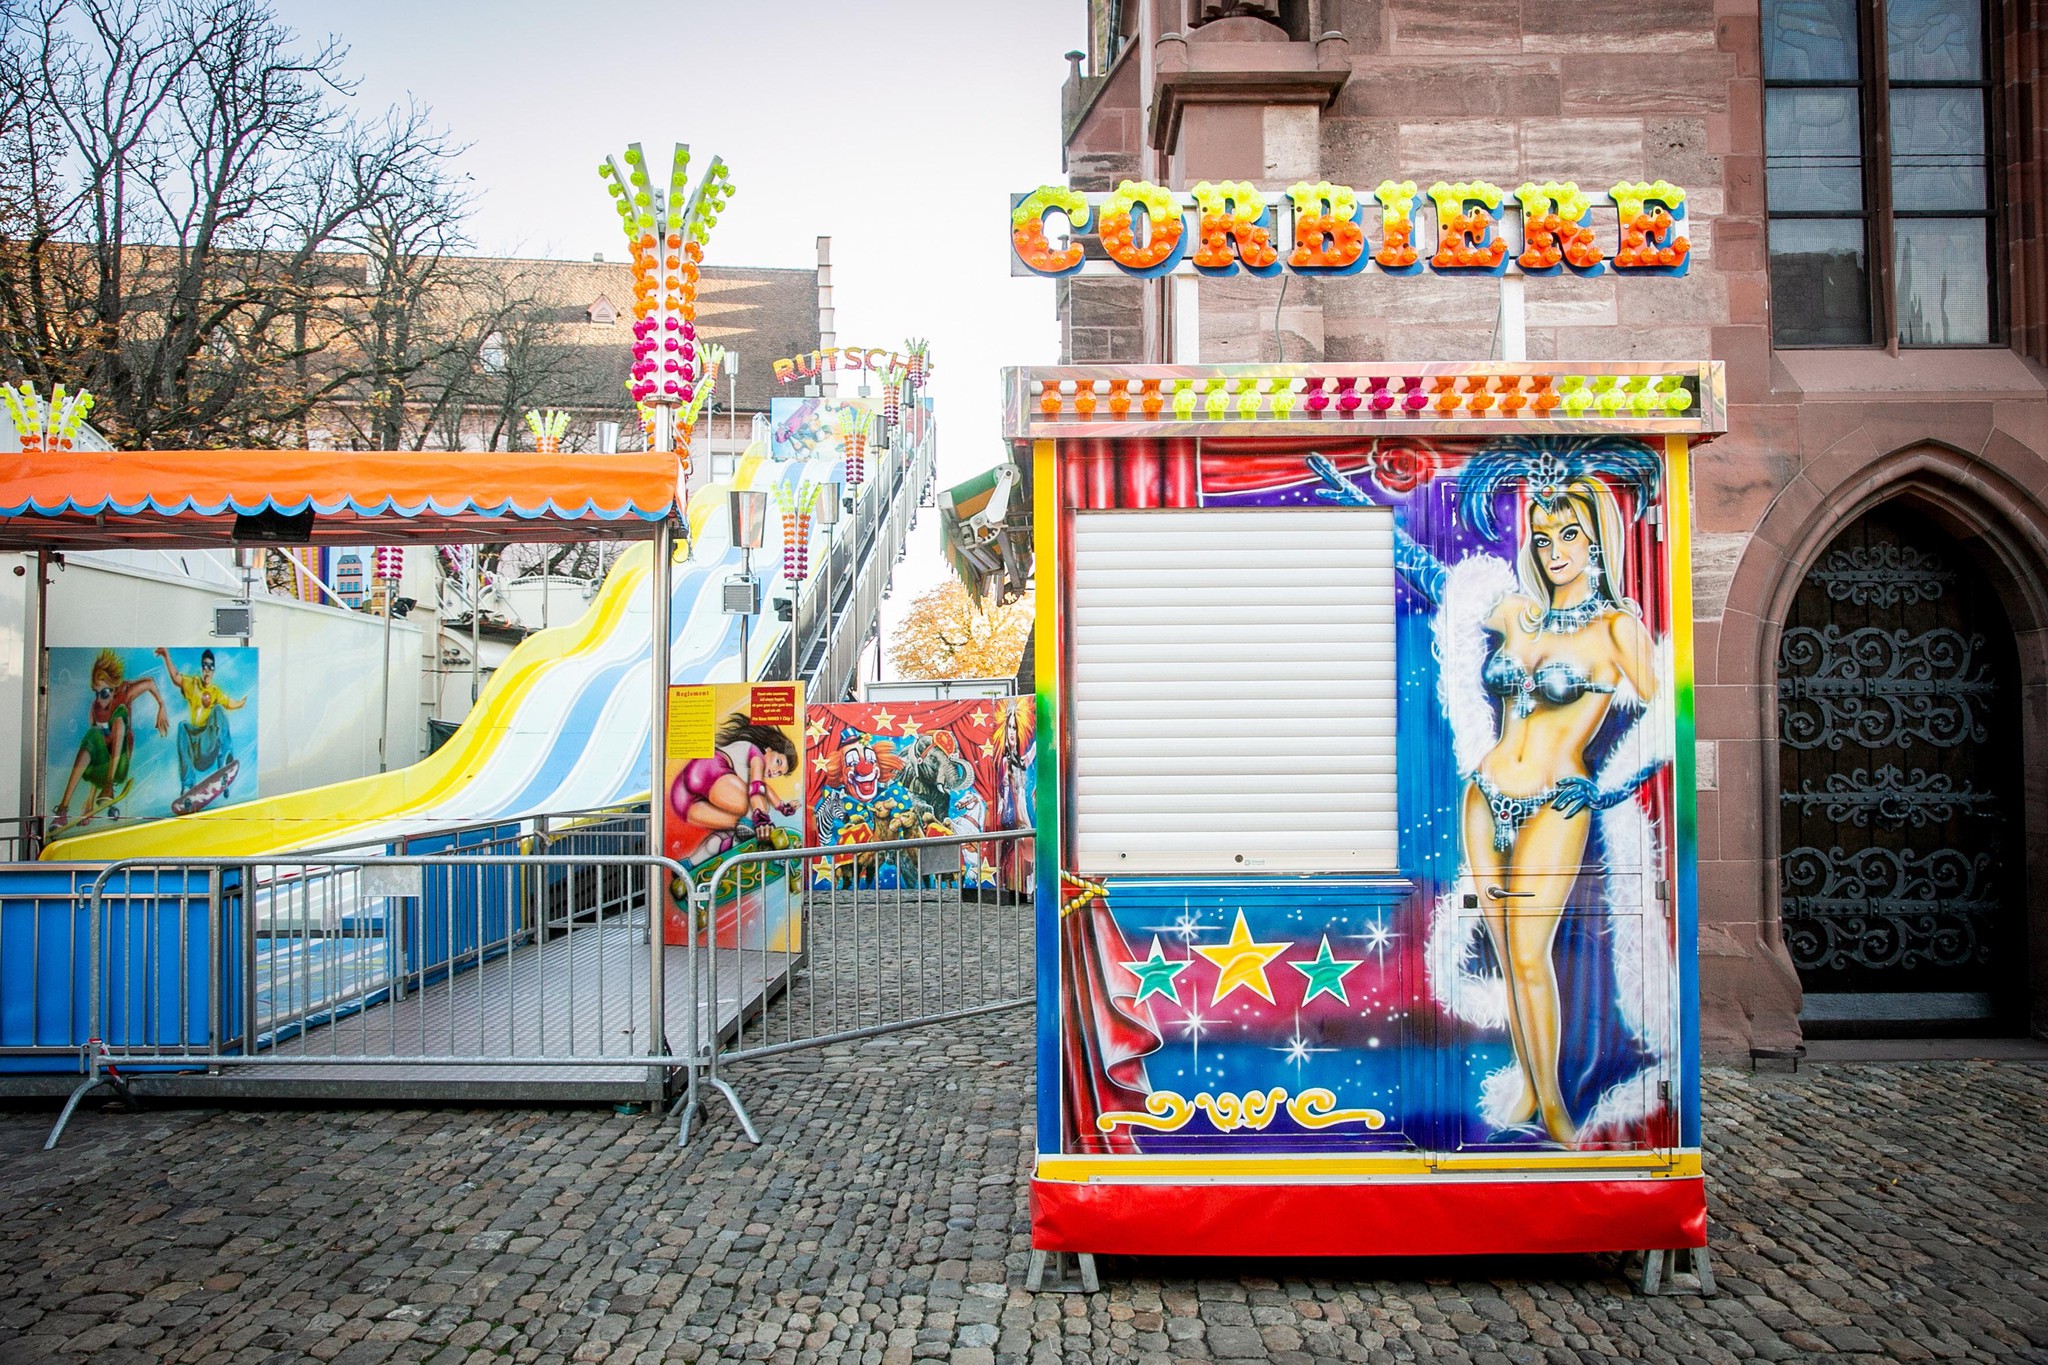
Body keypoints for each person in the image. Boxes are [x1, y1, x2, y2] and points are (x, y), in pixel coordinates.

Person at [1460, 469, 1657, 1146]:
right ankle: (1528, 1093)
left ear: (1600, 541)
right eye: (1543, 537)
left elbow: (1667, 713)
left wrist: (1608, 786)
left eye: (1570, 533)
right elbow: (1435, 579)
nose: (1554, 550)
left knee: (1527, 953)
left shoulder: (1616, 629)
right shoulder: (1521, 613)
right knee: (1509, 957)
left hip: (1555, 802)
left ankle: (1555, 1113)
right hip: (1485, 798)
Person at [54, 649, 169, 826]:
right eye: (97, 693)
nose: (100, 700)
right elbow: (93, 756)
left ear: (114, 689)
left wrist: (161, 706)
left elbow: (150, 683)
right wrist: (90, 802)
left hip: (120, 763)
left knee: (120, 714)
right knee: (93, 733)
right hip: (102, 768)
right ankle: (62, 810)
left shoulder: (125, 692)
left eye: (105, 694)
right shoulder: (95, 709)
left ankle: (109, 786)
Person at [670, 714, 801, 866]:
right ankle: (769, 851)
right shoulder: (755, 753)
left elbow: (765, 789)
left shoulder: (745, 773)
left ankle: (691, 863)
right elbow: (757, 789)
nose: (775, 771)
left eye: (780, 773)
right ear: (769, 749)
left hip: (682, 800)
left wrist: (784, 808)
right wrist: (762, 819)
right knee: (758, 806)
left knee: (738, 827)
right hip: (710, 769)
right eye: (778, 762)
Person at [156, 647, 246, 794]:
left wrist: (241, 703)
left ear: (214, 670)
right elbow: (175, 677)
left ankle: (224, 765)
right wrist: (166, 655)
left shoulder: (216, 691)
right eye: (205, 666)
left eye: (211, 666)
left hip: (209, 744)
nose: (207, 670)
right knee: (182, 726)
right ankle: (188, 784)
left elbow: (230, 703)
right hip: (196, 748)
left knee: (218, 710)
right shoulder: (193, 684)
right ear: (202, 668)